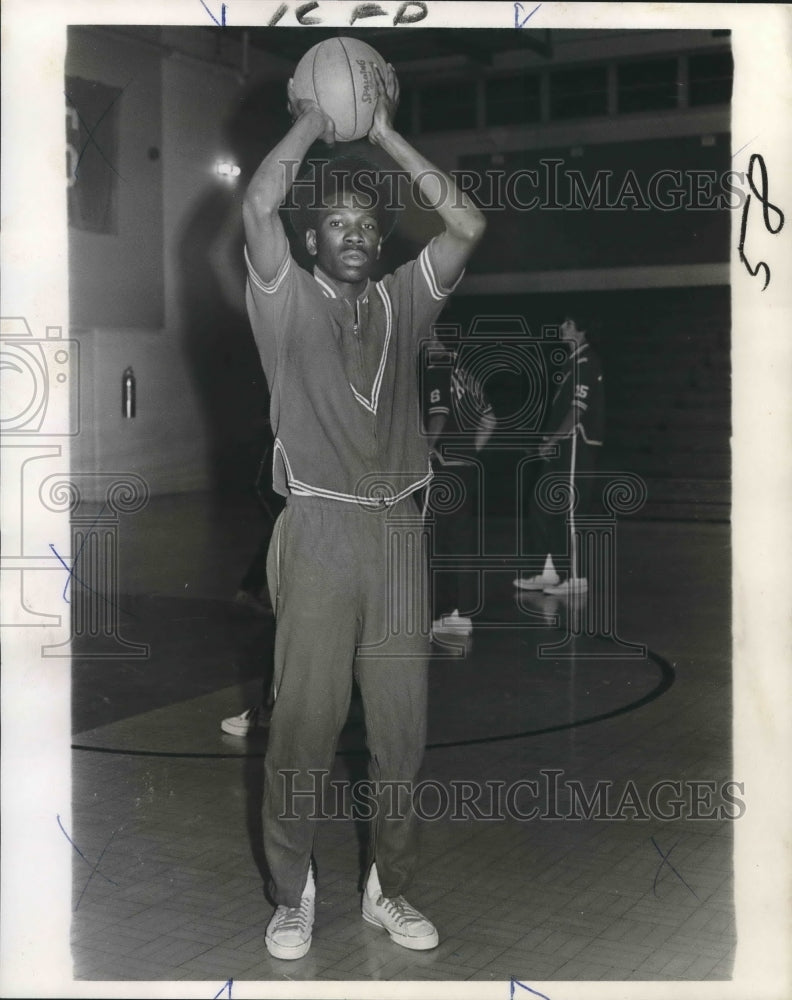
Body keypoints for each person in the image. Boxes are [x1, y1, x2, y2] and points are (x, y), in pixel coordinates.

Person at [242, 64, 485, 960]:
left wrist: (379, 131)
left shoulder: (403, 302)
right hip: (315, 532)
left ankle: (390, 887)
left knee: (400, 735)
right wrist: (312, 118)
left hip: (394, 538)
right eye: (336, 223)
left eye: (367, 224)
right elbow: (261, 205)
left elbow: (465, 221)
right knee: (302, 731)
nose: (354, 233)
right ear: (312, 243)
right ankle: (292, 891)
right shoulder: (286, 301)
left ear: (381, 244)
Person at [514, 314, 604, 596]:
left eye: (568, 324)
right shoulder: (570, 363)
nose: (561, 327)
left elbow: (578, 411)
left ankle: (576, 578)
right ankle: (548, 572)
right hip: (560, 446)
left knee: (569, 510)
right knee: (541, 504)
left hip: (576, 444)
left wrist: (553, 438)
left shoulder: (586, 362)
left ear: (581, 330)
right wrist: (546, 440)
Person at [423, 346, 496, 636]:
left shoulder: (436, 370)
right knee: (459, 541)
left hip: (444, 467)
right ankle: (458, 614)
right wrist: (471, 451)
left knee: (436, 541)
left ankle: (441, 612)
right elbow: (491, 419)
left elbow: (438, 417)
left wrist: (424, 451)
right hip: (466, 467)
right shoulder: (467, 375)